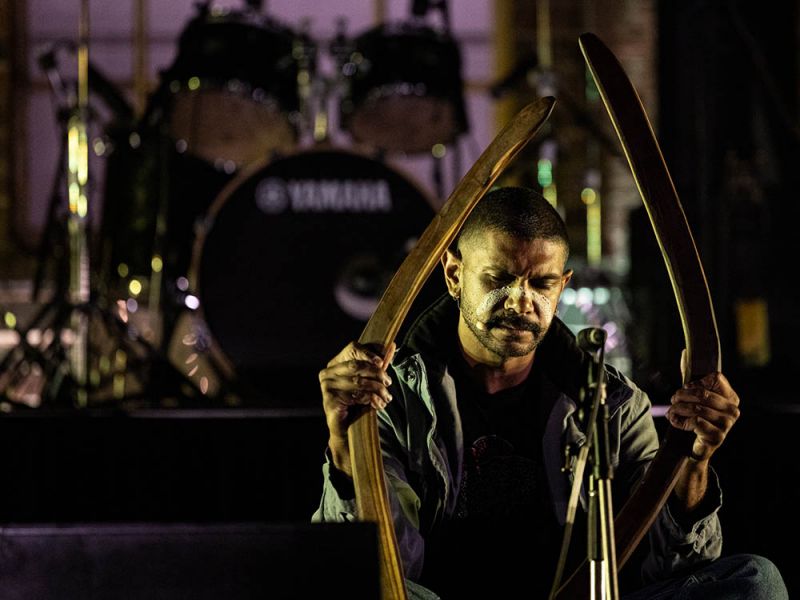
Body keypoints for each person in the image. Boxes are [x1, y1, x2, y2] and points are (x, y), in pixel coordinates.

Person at [312, 187, 787, 599]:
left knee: (754, 582)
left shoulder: (615, 406)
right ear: (454, 275)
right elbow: (370, 564)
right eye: (498, 279)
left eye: (541, 284)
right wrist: (344, 440)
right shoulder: (395, 397)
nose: (521, 302)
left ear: (562, 286)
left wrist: (694, 461)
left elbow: (667, 570)